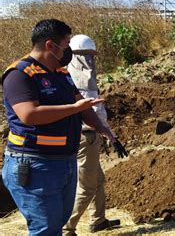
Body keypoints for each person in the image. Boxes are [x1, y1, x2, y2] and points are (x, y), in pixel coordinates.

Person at [1, 19, 114, 235]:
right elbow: (29, 115)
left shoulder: (61, 73)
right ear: (50, 45)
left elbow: (83, 106)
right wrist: (74, 108)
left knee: (57, 223)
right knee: (45, 228)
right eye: (66, 44)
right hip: (35, 164)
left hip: (64, 162)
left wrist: (101, 127)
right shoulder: (19, 74)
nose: (68, 50)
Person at [63, 35, 126, 235]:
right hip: (85, 137)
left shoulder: (75, 77)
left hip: (89, 136)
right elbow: (94, 113)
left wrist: (110, 136)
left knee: (98, 179)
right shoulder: (77, 80)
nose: (90, 60)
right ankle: (66, 228)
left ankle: (98, 220)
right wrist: (111, 136)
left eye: (90, 55)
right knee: (88, 186)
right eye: (86, 55)